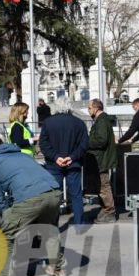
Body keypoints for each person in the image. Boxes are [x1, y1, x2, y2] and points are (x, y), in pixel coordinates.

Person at [0, 136, 64, 276]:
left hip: (30, 198)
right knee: (50, 232)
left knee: (5, 240)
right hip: (54, 192)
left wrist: (6, 212)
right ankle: (56, 268)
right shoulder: (23, 155)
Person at [38, 97, 88, 227]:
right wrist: (72, 157)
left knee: (54, 196)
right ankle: (79, 224)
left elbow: (43, 144)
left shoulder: (48, 123)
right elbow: (84, 144)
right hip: (74, 163)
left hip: (54, 164)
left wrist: (56, 157)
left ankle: (53, 225)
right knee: (76, 195)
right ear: (69, 107)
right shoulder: (79, 123)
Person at [86, 98, 117, 223]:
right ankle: (105, 210)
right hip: (100, 158)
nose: (88, 110)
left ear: (96, 108)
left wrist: (86, 142)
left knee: (103, 186)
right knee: (101, 186)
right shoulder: (100, 120)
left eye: (89, 108)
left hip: (101, 159)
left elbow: (101, 140)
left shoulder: (102, 121)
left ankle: (109, 211)